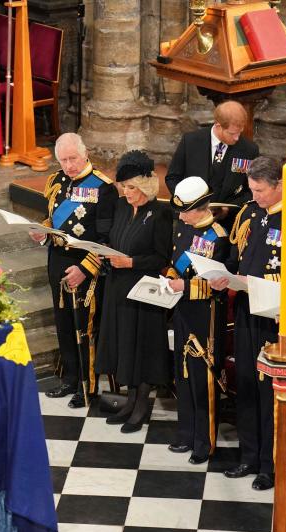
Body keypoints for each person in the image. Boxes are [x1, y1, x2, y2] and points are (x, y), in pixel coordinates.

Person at [212, 156, 286, 489]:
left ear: (279, 186)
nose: (255, 196)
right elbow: (233, 255)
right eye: (252, 189)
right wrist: (224, 276)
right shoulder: (248, 212)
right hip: (244, 309)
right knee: (245, 382)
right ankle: (249, 456)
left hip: (275, 316)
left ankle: (271, 465)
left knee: (270, 390)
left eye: (260, 190)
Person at [32, 133, 117, 408]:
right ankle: (69, 378)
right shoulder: (56, 181)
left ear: (86, 154)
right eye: (64, 160)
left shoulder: (103, 188)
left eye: (73, 159)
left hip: (85, 264)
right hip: (56, 259)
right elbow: (52, 218)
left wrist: (85, 268)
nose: (69, 165)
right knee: (64, 323)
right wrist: (41, 233)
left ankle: (87, 385)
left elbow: (107, 238)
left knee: (84, 326)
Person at [96, 150, 173, 432]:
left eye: (131, 187)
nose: (126, 192)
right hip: (118, 286)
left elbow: (161, 257)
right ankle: (128, 402)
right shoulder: (120, 206)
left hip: (144, 290)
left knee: (142, 348)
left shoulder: (161, 213)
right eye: (123, 187)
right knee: (124, 346)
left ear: (145, 187)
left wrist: (131, 262)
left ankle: (141, 405)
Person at [165, 177, 229, 464]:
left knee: (202, 377)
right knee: (182, 372)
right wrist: (169, 278)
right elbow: (174, 261)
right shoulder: (183, 228)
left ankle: (206, 441)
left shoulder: (219, 237)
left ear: (201, 208)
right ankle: (187, 431)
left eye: (185, 211)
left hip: (206, 314)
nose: (180, 216)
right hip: (180, 310)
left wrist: (185, 287)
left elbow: (222, 283)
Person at [166, 100, 260, 218]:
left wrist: (228, 209)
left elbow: (251, 190)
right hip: (190, 217)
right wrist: (187, 203)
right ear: (218, 125)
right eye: (232, 133)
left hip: (227, 221)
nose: (237, 138)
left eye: (239, 133)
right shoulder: (191, 141)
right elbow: (172, 178)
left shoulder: (249, 150)